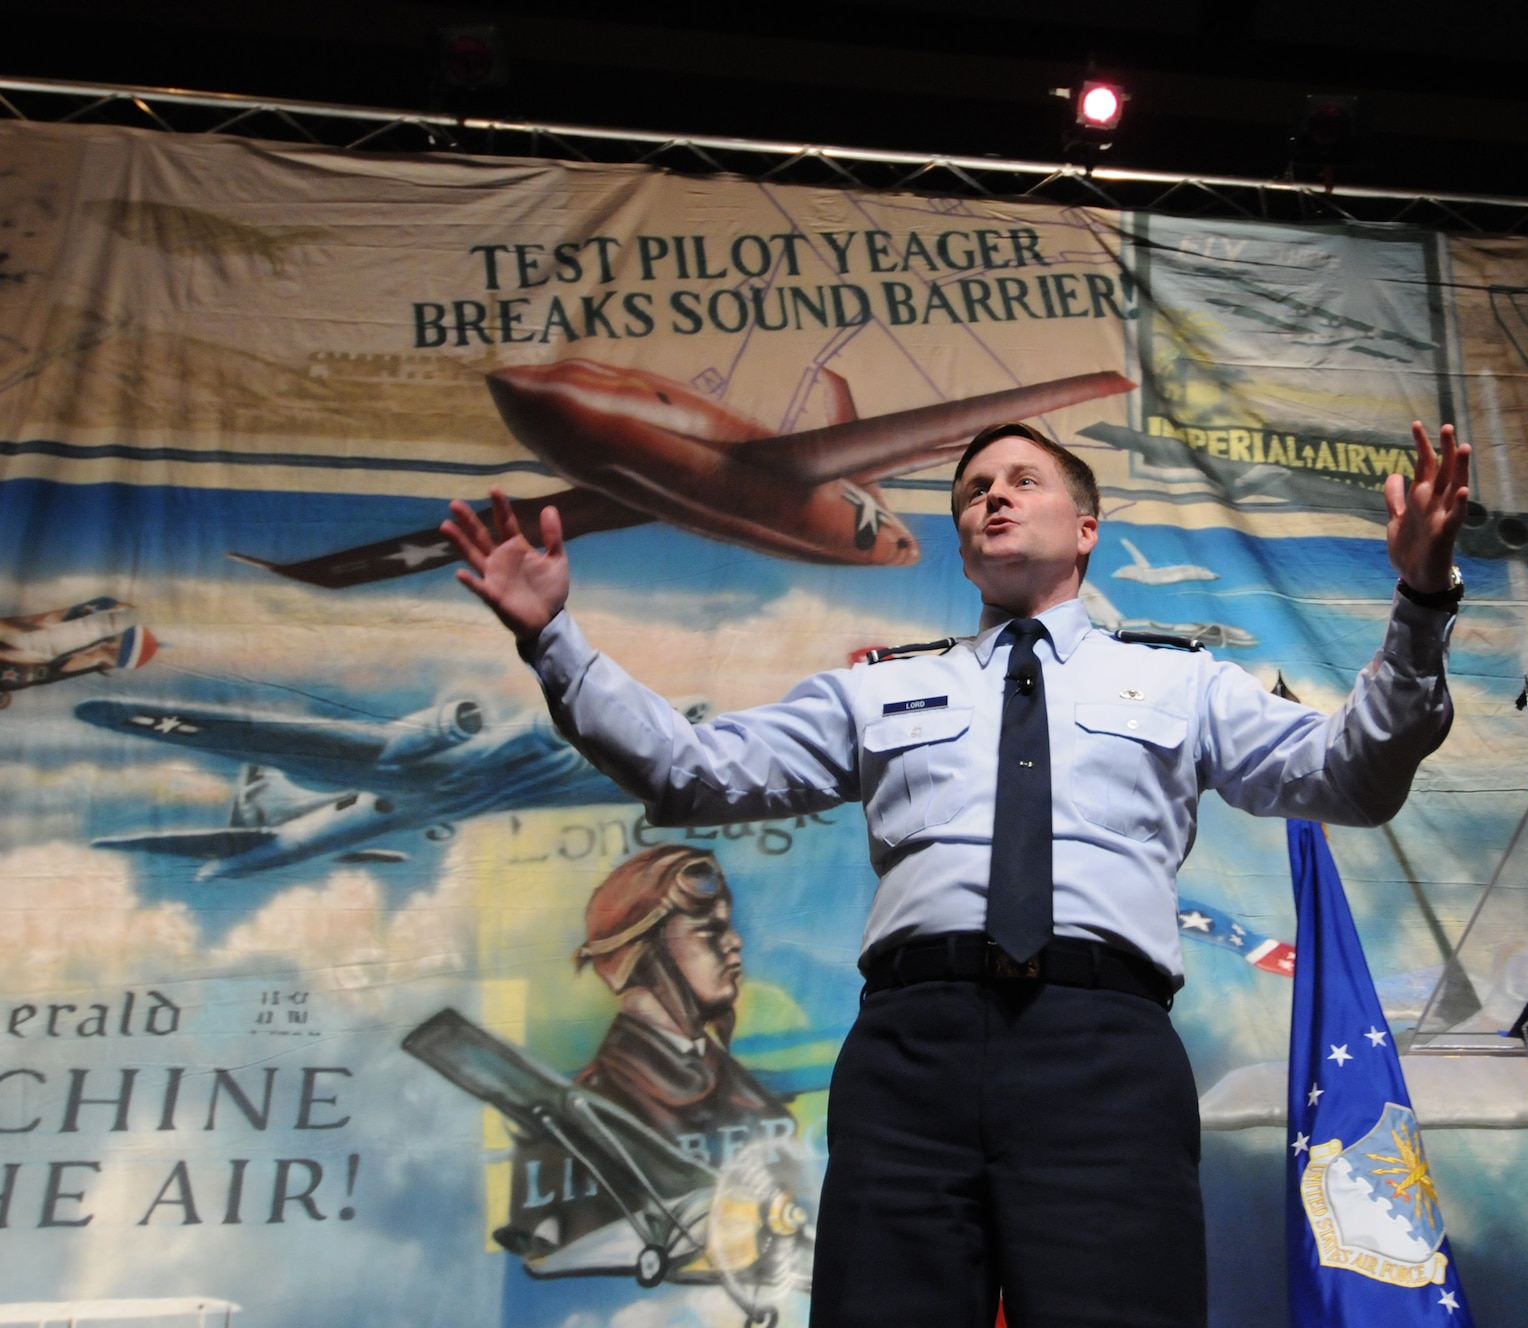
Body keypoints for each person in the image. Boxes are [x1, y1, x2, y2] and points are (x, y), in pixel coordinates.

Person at [442, 416, 1470, 1328]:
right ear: (965, 547)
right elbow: (689, 770)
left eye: (1023, 479)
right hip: (909, 1057)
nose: (992, 495)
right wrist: (554, 642)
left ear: (1085, 526)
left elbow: (1353, 775)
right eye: (974, 489)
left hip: (1101, 1056)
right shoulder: (879, 690)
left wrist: (1420, 600)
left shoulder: (1179, 679)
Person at [571, 845, 793, 1168]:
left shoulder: (748, 1096)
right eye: (709, 931)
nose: (735, 942)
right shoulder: (586, 1112)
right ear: (645, 954)